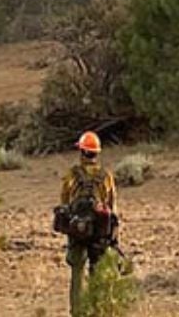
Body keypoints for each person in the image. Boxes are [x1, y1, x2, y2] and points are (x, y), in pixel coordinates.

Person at [58, 130, 119, 313]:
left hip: (77, 231)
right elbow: (112, 206)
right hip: (99, 232)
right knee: (97, 272)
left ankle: (77, 312)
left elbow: (64, 201)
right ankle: (97, 311)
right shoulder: (106, 176)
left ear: (82, 152)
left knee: (77, 272)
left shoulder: (71, 175)